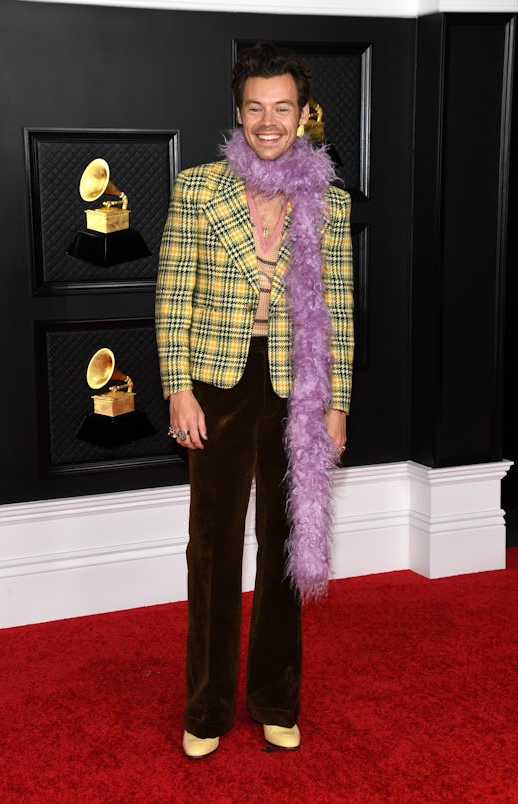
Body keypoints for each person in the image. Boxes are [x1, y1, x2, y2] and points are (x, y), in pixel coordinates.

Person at [155, 41, 354, 759]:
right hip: (215, 384)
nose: (268, 123)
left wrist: (337, 403)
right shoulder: (199, 189)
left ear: (304, 115)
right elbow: (172, 296)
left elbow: (339, 308)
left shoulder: (326, 198)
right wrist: (178, 387)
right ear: (238, 114)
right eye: (254, 109)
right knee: (210, 549)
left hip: (296, 390)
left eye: (282, 109)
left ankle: (276, 699)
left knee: (285, 544)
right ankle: (206, 709)